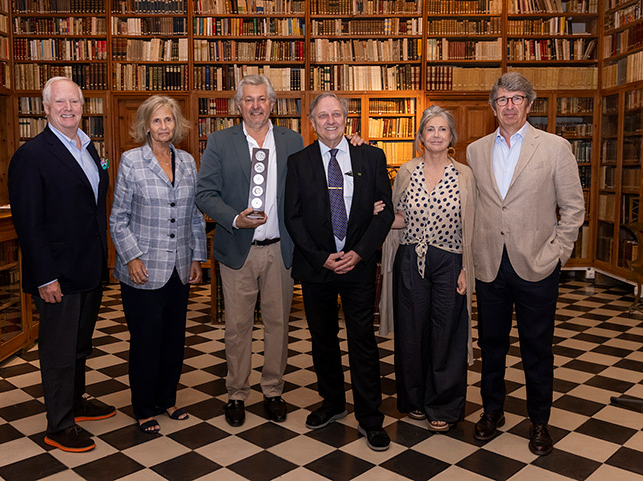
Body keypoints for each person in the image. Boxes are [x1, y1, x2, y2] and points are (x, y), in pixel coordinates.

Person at [466, 72, 585, 455]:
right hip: (489, 266)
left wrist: (556, 254)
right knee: (491, 345)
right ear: (493, 106)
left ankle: (539, 422)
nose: (510, 106)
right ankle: (492, 412)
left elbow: (573, 209)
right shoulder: (476, 150)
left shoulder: (554, 148)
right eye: (502, 99)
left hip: (537, 265)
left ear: (529, 105)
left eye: (517, 98)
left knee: (537, 348)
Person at [8, 77, 115, 453]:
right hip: (57, 274)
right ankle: (58, 423)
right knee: (58, 350)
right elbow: (29, 223)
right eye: (60, 103)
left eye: (74, 102)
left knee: (80, 345)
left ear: (83, 106)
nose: (68, 108)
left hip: (88, 268)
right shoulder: (32, 155)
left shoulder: (88, 147)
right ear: (46, 108)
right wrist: (45, 276)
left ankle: (75, 402)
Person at [284, 93, 394, 451]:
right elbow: (293, 217)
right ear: (312, 122)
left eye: (336, 114)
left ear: (347, 119)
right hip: (318, 267)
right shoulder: (298, 162)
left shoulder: (371, 156)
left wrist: (360, 254)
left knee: (362, 340)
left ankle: (370, 418)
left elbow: (386, 213)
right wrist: (321, 257)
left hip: (358, 267)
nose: (330, 121)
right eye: (322, 116)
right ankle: (332, 403)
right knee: (323, 339)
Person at [195, 75, 305, 427]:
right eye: (248, 100)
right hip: (238, 250)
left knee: (278, 325)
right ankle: (237, 393)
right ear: (238, 106)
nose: (256, 105)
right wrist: (234, 219)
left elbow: (310, 183)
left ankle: (273, 389)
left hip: (280, 251)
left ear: (273, 104)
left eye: (262, 99)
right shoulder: (219, 141)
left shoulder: (293, 141)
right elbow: (205, 193)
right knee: (237, 327)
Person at [110, 95, 207, 434]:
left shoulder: (188, 162)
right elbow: (118, 218)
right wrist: (131, 257)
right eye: (156, 121)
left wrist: (197, 257)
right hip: (143, 269)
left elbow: (194, 214)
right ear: (145, 126)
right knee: (146, 340)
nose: (163, 127)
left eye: (168, 120)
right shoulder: (131, 161)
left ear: (176, 124)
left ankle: (168, 398)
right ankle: (143, 406)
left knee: (174, 339)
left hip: (180, 267)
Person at [380, 105, 476, 432]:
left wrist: (467, 268)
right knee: (411, 332)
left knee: (447, 332)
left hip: (450, 261)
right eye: (430, 129)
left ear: (452, 137)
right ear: (420, 136)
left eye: (442, 130)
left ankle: (444, 405)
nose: (436, 135)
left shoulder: (465, 175)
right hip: (410, 259)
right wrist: (373, 213)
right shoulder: (406, 171)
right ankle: (414, 399)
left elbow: (471, 225)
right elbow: (399, 218)